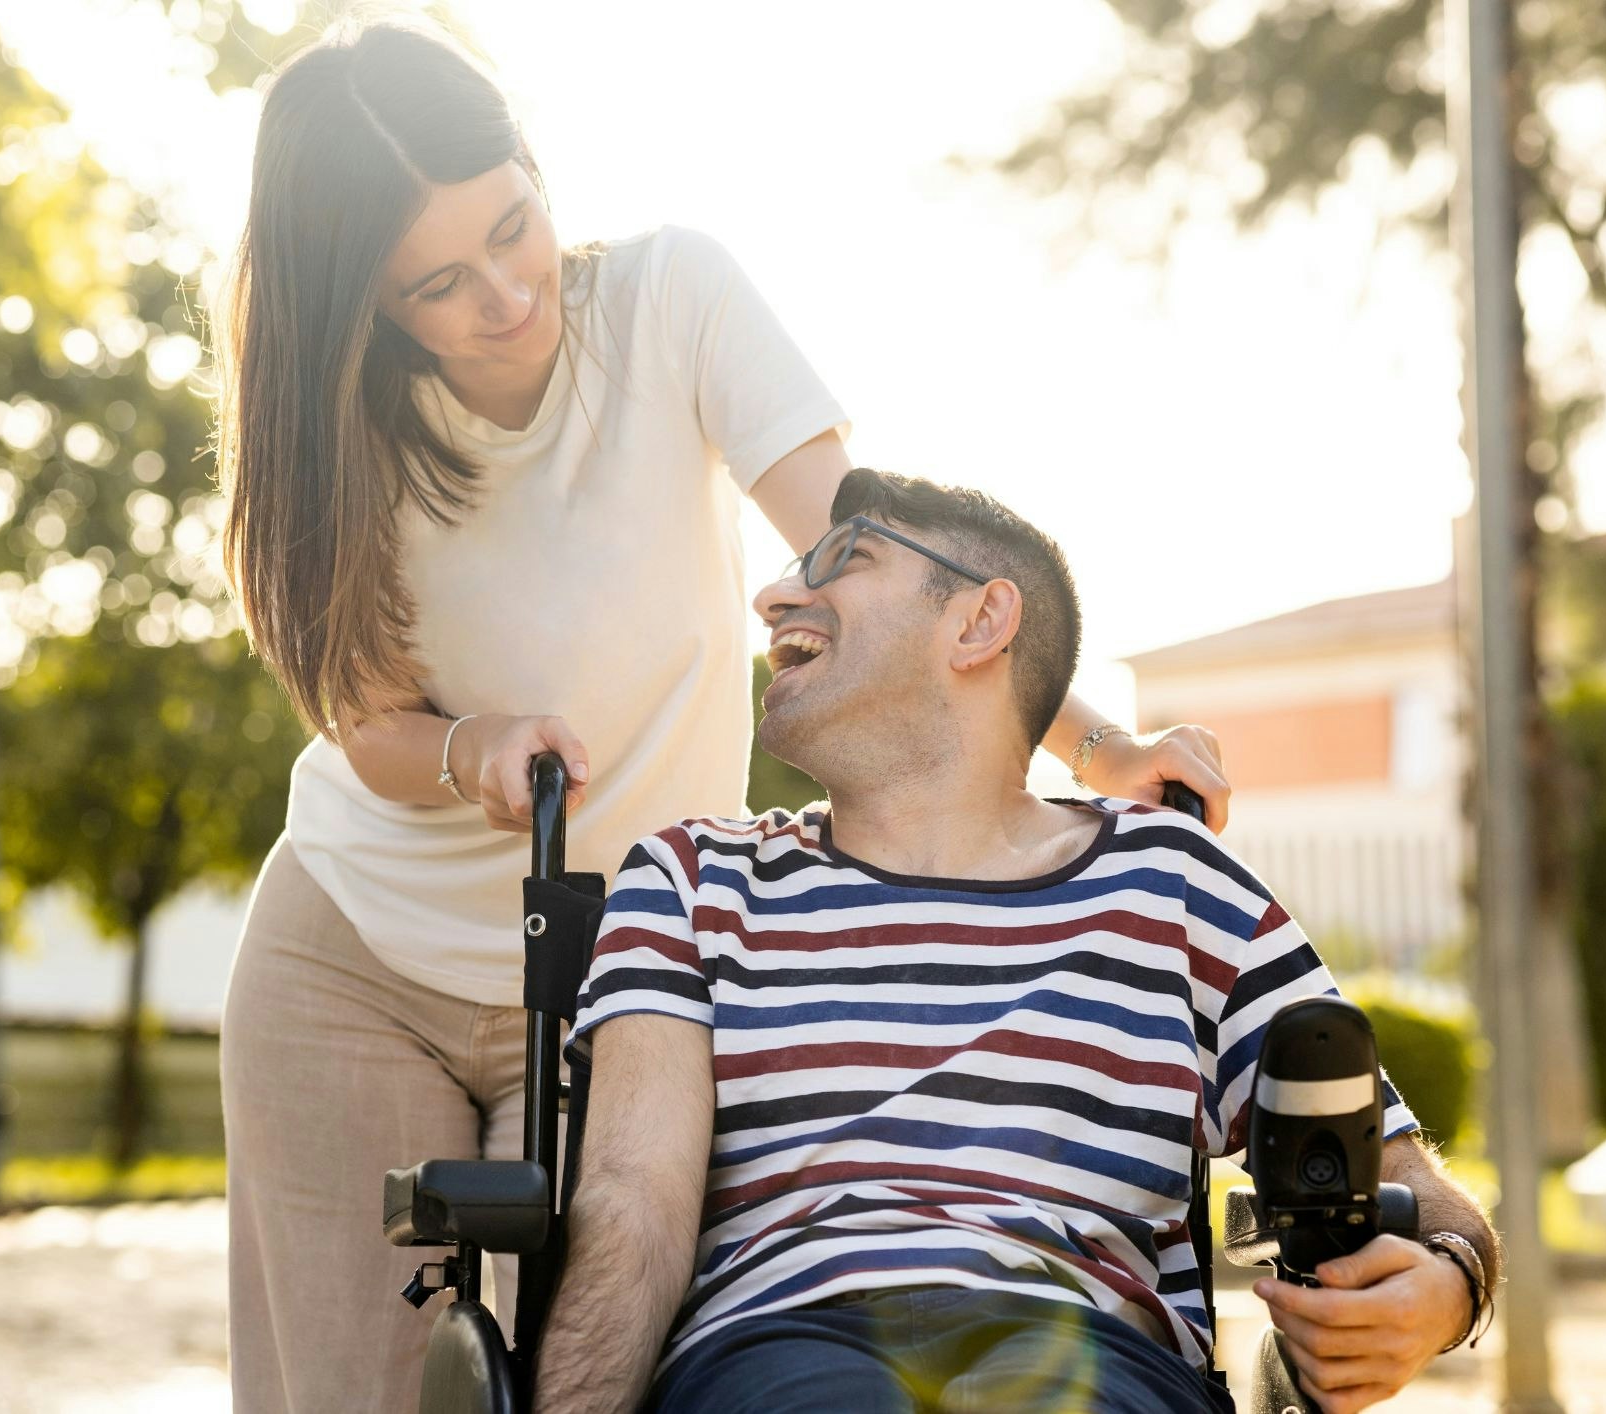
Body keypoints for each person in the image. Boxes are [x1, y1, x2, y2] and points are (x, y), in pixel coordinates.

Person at [212, 22, 1234, 1412]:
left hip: (607, 971)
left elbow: (872, 561)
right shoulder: (336, 427)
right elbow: (362, 721)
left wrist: (1093, 744)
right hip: (350, 962)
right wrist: (472, 748)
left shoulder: (671, 297)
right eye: (441, 284)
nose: (508, 294)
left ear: (533, 165)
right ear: (367, 305)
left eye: (515, 226)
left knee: (589, 1361)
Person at [535, 470, 1500, 1414]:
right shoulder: (691, 881)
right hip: (789, 1339)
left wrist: (1445, 1286)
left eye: (846, 559)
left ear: (980, 622)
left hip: (1089, 1349)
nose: (776, 591)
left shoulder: (1174, 883)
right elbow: (633, 1207)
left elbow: (1406, 1182)